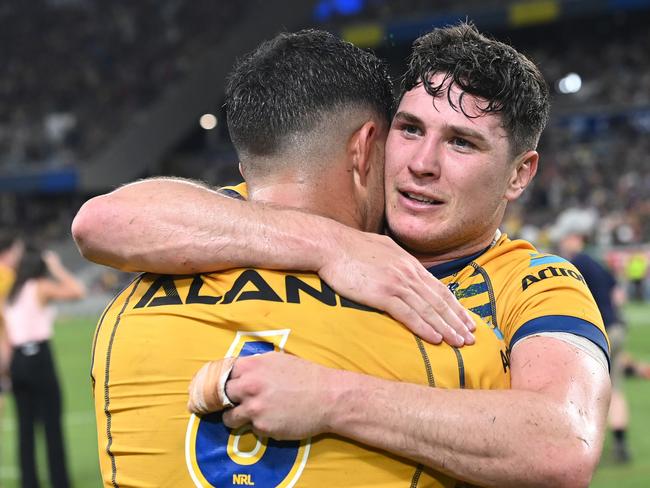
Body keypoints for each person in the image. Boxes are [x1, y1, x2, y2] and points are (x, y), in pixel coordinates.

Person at [73, 24, 611, 487]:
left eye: (462, 143)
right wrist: (332, 244)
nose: (422, 163)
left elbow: (564, 444)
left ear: (520, 173)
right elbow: (105, 221)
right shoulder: (298, 222)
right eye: (410, 129)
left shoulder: (534, 281)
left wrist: (333, 400)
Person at [4, 246, 85, 488]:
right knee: (51, 423)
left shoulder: (10, 292)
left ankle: (29, 482)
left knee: (24, 427)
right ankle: (59, 481)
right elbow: (77, 291)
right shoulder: (40, 286)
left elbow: (5, 331)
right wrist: (56, 268)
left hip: (17, 359)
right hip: (39, 356)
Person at [559, 231, 630, 463]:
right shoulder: (598, 264)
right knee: (615, 388)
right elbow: (618, 295)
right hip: (617, 327)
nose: (565, 241)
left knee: (586, 392)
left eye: (568, 238)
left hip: (598, 332)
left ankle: (584, 450)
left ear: (577, 240)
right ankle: (621, 446)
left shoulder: (577, 263)